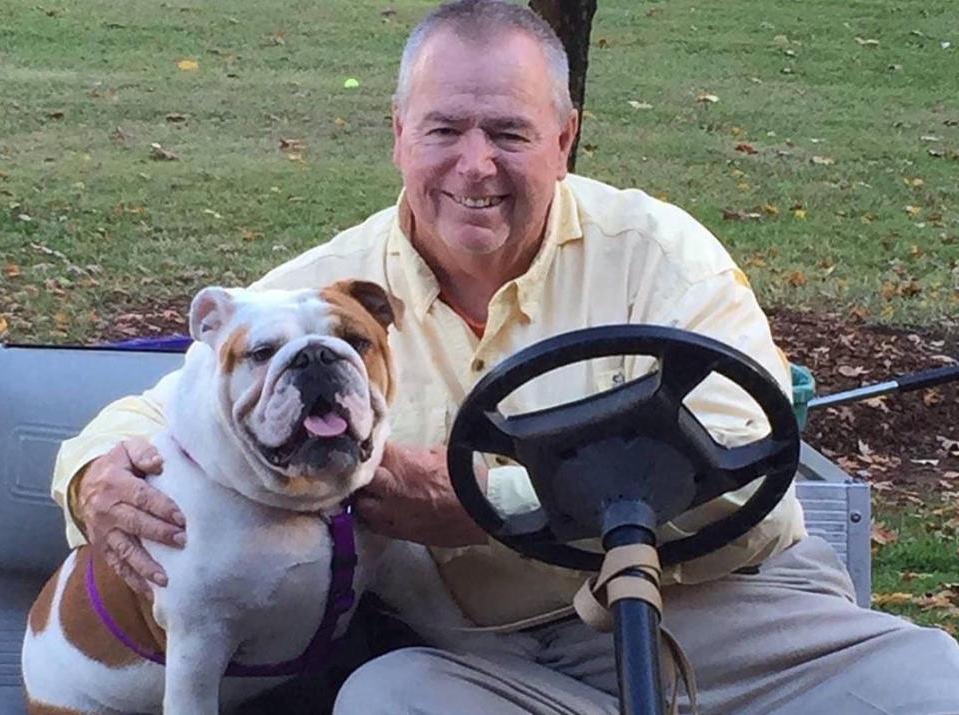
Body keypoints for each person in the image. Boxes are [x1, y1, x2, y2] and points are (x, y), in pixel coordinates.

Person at [53, 1, 959, 713]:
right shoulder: (326, 294)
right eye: (444, 129)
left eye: (511, 133)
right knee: (385, 699)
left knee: (934, 689)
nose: (474, 166)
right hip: (488, 652)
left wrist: (492, 504)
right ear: (399, 134)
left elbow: (741, 444)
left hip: (734, 616)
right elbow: (165, 402)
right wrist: (95, 477)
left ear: (564, 138)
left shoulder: (656, 250)